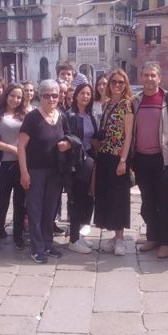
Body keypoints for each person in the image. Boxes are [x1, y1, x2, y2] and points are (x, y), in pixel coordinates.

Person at [131, 62, 168, 259]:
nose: (149, 79)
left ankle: (165, 242)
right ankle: (152, 237)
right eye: (146, 75)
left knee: (164, 202)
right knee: (147, 202)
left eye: (152, 75)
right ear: (141, 78)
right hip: (141, 159)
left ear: (159, 78)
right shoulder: (136, 101)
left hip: (163, 160)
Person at [18, 79, 71, 263]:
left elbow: (68, 136)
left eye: (54, 95)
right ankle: (37, 248)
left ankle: (48, 243)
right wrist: (24, 172)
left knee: (50, 210)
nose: (51, 99)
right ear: (40, 97)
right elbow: (21, 146)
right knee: (35, 210)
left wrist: (68, 144)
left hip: (55, 171)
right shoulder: (32, 117)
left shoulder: (61, 116)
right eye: (47, 95)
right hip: (35, 171)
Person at [94, 69, 134, 255]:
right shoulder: (107, 104)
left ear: (125, 85)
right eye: (114, 82)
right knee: (107, 196)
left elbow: (128, 135)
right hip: (104, 155)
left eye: (121, 82)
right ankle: (114, 236)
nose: (117, 85)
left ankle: (120, 238)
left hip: (118, 156)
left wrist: (123, 160)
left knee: (119, 197)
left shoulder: (127, 105)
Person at [0, 84, 28, 252]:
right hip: (2, 165)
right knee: (0, 204)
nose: (15, 100)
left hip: (22, 165)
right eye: (12, 96)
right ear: (6, 95)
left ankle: (18, 237)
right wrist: (14, 149)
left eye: (19, 97)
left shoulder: (25, 115)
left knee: (20, 203)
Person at [65, 82, 98, 254]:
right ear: (76, 95)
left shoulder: (90, 115)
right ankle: (73, 239)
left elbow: (94, 138)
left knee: (86, 199)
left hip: (89, 162)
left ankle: (78, 235)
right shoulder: (69, 115)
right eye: (82, 93)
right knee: (76, 200)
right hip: (75, 163)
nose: (85, 96)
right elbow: (68, 138)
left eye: (88, 94)